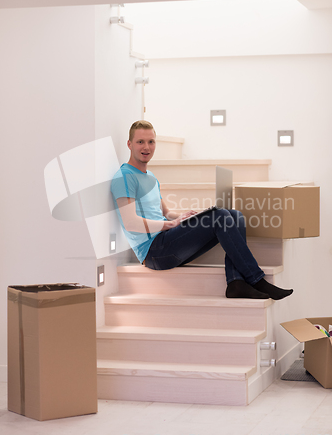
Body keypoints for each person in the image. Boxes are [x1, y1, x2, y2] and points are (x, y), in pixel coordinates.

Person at [111, 120, 293, 300]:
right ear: (129, 144)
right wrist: (170, 224)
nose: (146, 147)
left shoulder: (150, 177)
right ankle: (256, 279)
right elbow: (130, 222)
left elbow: (166, 212)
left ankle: (236, 283)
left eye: (151, 141)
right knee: (220, 216)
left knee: (235, 216)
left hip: (166, 239)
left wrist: (188, 217)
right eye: (140, 142)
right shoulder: (124, 177)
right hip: (154, 252)